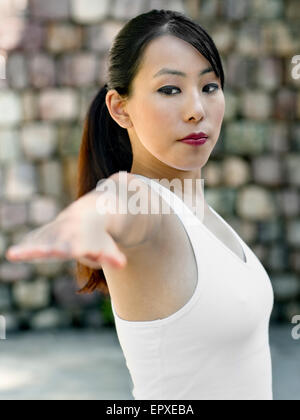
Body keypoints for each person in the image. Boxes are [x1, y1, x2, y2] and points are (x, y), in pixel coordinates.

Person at [6, 9, 274, 400]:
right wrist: (90, 216)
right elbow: (119, 203)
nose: (196, 109)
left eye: (210, 86)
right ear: (120, 108)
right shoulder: (148, 204)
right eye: (170, 89)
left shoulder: (203, 216)